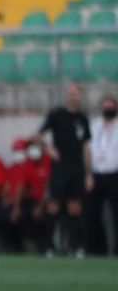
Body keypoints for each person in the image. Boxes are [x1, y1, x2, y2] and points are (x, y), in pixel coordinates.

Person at [41, 81, 93, 255]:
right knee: (54, 206)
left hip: (77, 168)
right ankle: (49, 246)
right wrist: (49, 149)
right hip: (60, 167)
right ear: (66, 95)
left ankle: (76, 246)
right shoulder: (57, 115)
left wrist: (88, 172)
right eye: (70, 93)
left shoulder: (83, 119)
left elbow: (86, 146)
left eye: (76, 93)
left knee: (75, 208)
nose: (73, 96)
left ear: (80, 96)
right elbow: (37, 135)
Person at [87, 93, 118, 256]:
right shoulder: (93, 125)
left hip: (114, 175)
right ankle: (97, 249)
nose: (109, 108)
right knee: (93, 214)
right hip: (96, 175)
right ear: (101, 107)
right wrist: (88, 173)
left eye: (112, 105)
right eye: (106, 105)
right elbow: (87, 150)